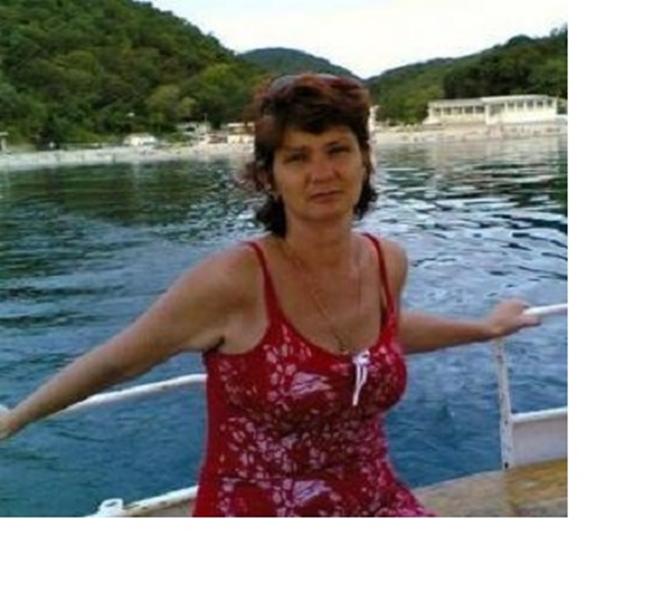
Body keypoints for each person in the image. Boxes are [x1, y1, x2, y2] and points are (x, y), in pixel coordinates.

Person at [0, 73, 539, 516]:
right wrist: (16, 418)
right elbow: (118, 359)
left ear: (365, 159)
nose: (322, 173)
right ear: (269, 177)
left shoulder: (386, 261)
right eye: (297, 157)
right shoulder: (234, 280)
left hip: (374, 500)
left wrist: (485, 328)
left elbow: (384, 330)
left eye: (337, 150)